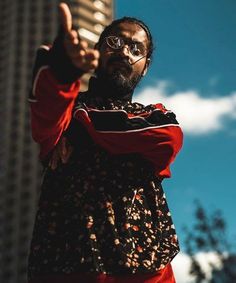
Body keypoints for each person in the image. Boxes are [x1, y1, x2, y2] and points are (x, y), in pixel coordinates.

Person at [28, 3, 183, 283]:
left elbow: (167, 138)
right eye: (115, 42)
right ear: (98, 51)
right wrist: (62, 73)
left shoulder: (154, 116)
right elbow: (45, 116)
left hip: (149, 271)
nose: (125, 51)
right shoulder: (66, 107)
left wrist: (81, 123)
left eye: (136, 49)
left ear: (145, 67)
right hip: (68, 266)